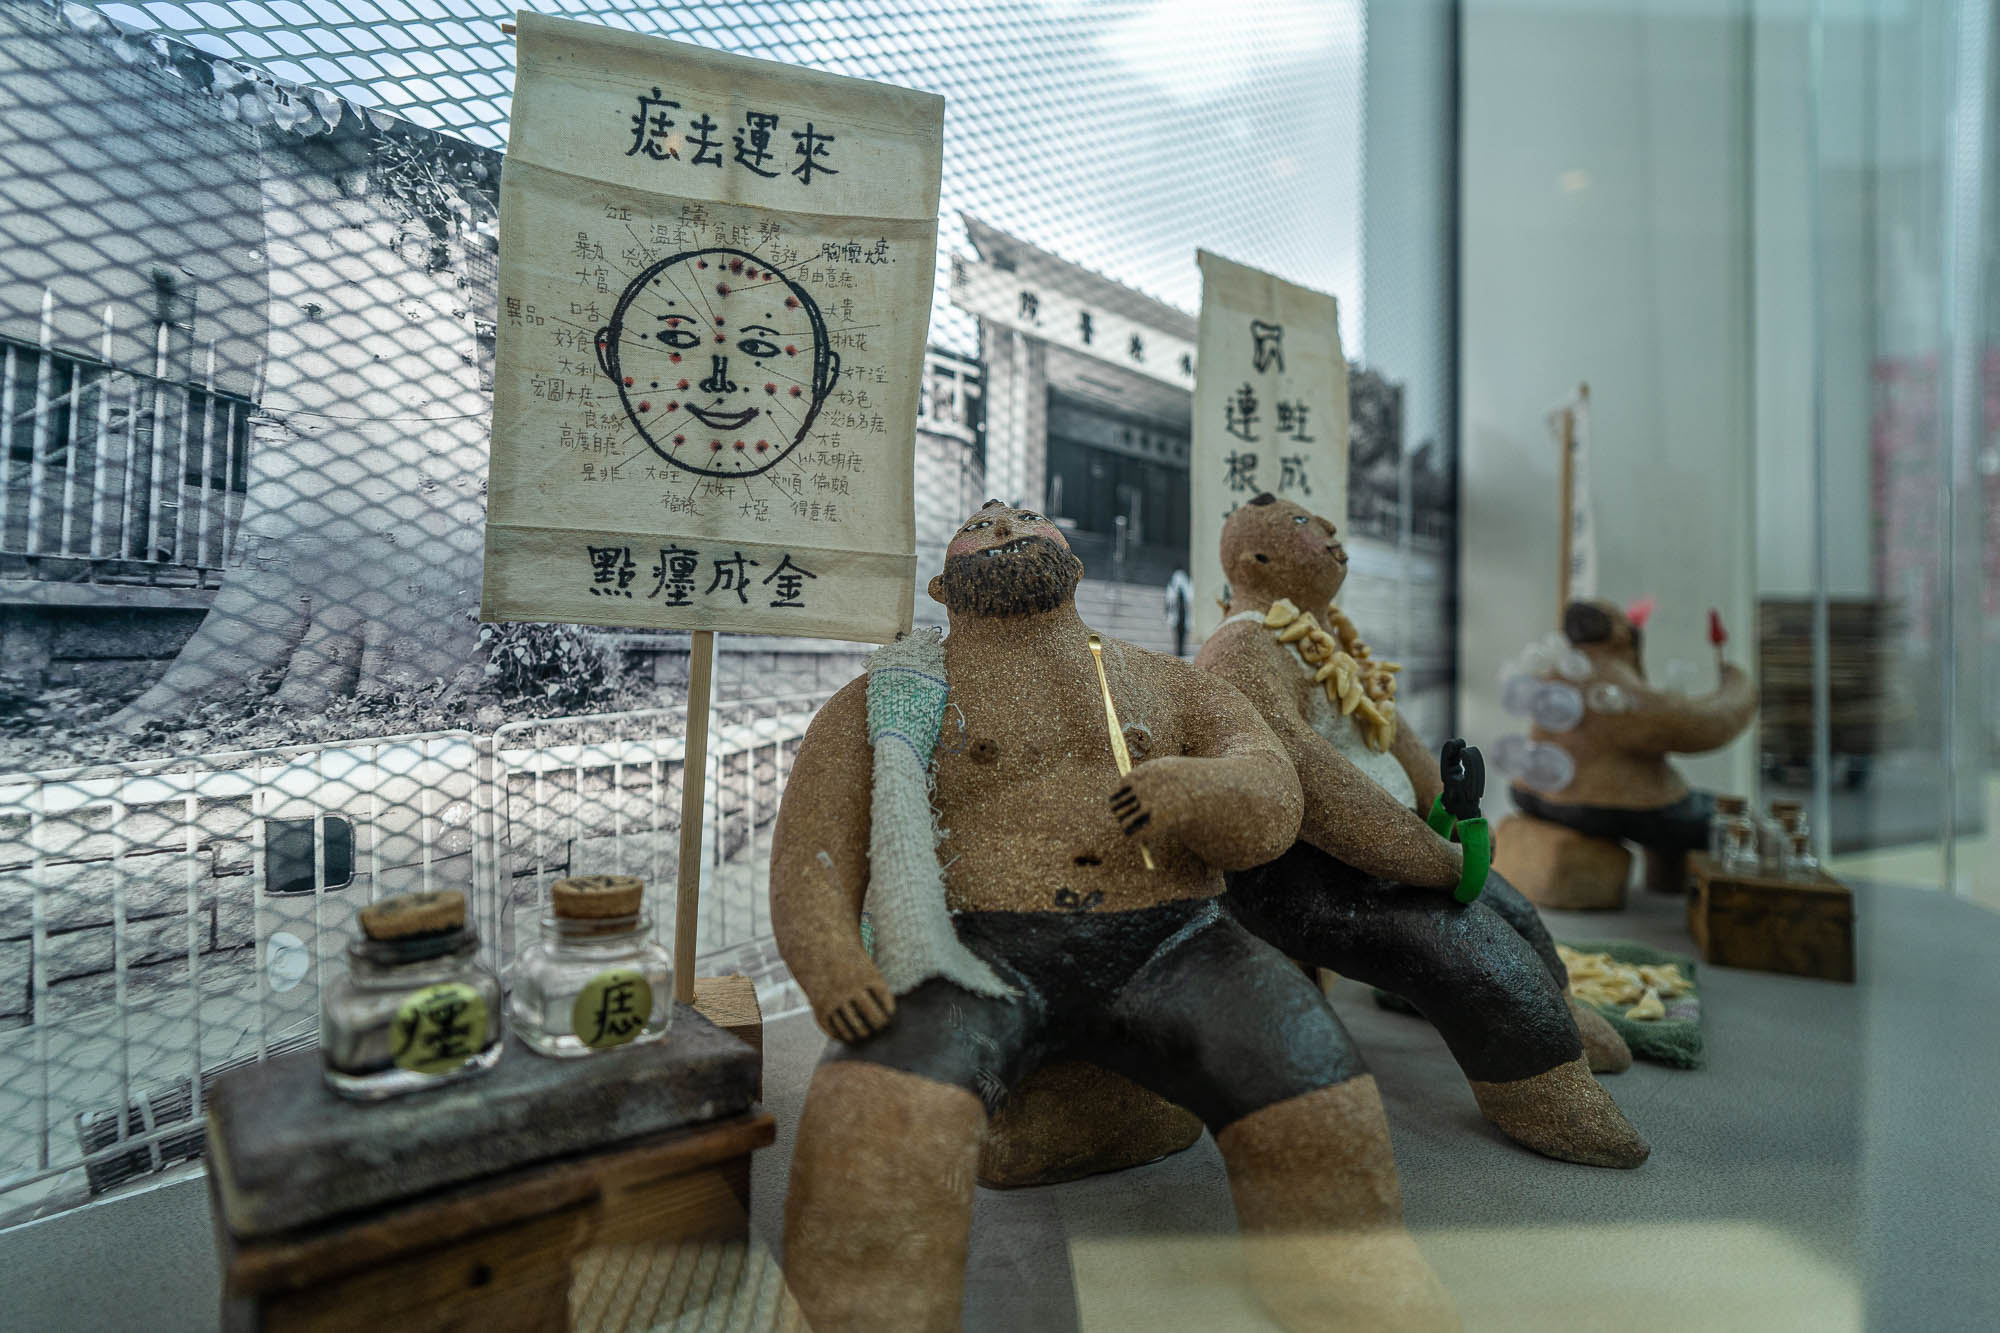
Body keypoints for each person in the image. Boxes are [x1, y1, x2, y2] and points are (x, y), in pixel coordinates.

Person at [773, 501, 1457, 1333]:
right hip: (962, 953)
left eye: (1026, 516)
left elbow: (1273, 793)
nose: (1003, 523)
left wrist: (1196, 790)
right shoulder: (887, 702)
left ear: (1075, 564)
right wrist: (832, 961)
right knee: (875, 1120)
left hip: (1173, 940)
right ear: (942, 587)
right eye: (981, 522)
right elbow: (815, 851)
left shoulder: (1168, 683)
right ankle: (870, 1310)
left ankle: (1342, 1267)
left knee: (1308, 1060)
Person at [1197, 493, 1648, 1167]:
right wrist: (1428, 859)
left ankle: (1558, 1013)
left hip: (1381, 850)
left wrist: (1447, 818)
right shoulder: (1241, 649)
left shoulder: (1323, 636)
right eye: (1303, 524)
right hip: (1299, 872)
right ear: (1255, 560)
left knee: (1509, 908)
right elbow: (1311, 781)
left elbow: (1396, 737)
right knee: (1463, 943)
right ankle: (1544, 1083)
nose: (1329, 529)